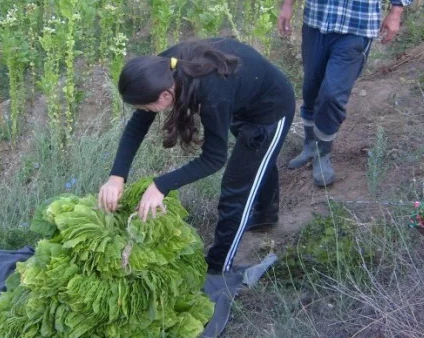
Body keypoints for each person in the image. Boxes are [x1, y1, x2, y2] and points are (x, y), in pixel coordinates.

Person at [98, 37, 295, 275]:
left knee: (236, 188)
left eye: (146, 107)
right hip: (240, 98)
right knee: (256, 163)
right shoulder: (162, 67)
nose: (144, 113)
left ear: (164, 97)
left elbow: (214, 158)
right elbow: (138, 124)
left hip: (269, 110)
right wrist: (117, 176)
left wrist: (160, 186)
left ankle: (217, 270)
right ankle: (266, 217)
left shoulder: (212, 93)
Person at [278, 0, 413, 186]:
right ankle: (309, 145)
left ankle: (322, 153)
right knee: (311, 89)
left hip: (357, 27)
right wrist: (288, 5)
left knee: (332, 94)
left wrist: (396, 10)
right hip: (316, 22)